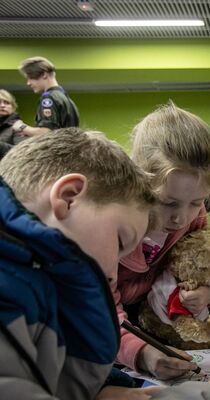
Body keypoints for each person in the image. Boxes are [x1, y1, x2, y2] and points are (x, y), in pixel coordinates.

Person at [0, 128, 161, 399]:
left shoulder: (37, 289)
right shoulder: (10, 289)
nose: (114, 274)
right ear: (69, 197)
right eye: (120, 241)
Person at [113, 103, 210, 380]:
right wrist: (143, 355)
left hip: (155, 321)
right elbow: (97, 312)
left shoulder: (193, 216)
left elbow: (197, 266)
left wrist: (207, 292)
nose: (181, 218)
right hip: (111, 330)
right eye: (168, 203)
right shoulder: (111, 228)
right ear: (140, 182)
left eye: (196, 202)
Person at [12, 56, 80, 138]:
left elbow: (46, 133)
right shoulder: (65, 98)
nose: (28, 83)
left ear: (44, 75)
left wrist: (22, 127)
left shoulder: (48, 98)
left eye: (30, 78)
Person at [0, 89, 27, 159]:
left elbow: (22, 152)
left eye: (6, 103)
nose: (2, 105)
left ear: (13, 107)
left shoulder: (19, 127)